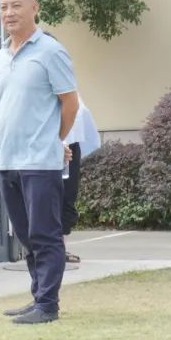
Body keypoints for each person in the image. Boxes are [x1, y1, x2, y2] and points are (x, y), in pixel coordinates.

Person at [0, 0, 79, 325]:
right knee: (27, 236)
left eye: (16, 5)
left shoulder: (50, 51)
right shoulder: (0, 57)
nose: (9, 13)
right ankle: (37, 297)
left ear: (34, 7)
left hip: (39, 161)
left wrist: (54, 140)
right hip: (7, 160)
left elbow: (69, 103)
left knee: (45, 234)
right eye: (3, 7)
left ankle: (48, 305)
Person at [61, 93, 100, 263]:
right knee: (47, 198)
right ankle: (48, 248)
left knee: (68, 196)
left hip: (71, 143)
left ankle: (60, 247)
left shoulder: (70, 89)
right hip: (49, 145)